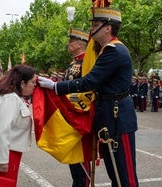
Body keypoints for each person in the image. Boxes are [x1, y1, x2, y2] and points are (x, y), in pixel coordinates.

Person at [38, 7, 139, 187]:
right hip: (108, 115)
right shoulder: (105, 50)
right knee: (115, 174)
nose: (91, 29)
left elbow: (90, 81)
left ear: (108, 28)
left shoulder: (114, 50)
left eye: (96, 25)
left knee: (124, 177)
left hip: (117, 118)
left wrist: (55, 86)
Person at [65, 27, 91, 187]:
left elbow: (87, 90)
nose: (68, 44)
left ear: (80, 44)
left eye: (71, 41)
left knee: (81, 163)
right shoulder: (74, 63)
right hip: (70, 115)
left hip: (80, 114)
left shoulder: (87, 62)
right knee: (73, 161)